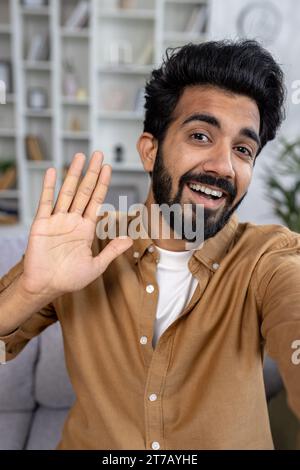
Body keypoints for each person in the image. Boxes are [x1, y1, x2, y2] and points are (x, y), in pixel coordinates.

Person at [0, 40, 299, 450]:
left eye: (243, 149)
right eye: (200, 135)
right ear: (150, 150)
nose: (223, 166)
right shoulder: (82, 244)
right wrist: (30, 291)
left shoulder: (267, 258)